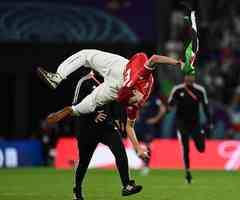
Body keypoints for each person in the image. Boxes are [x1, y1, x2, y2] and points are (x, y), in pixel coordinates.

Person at [37, 10, 198, 160]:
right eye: (134, 100)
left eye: (133, 101)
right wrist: (178, 62)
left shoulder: (134, 90)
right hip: (118, 78)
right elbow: (154, 58)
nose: (136, 102)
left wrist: (179, 62)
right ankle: (64, 92)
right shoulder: (135, 91)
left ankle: (68, 103)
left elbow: (129, 127)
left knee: (89, 84)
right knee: (90, 80)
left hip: (118, 78)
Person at [72, 71, 143, 199]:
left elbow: (118, 101)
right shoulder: (84, 82)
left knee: (120, 151)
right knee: (84, 161)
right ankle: (77, 190)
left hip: (106, 127)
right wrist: (93, 114)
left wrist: (118, 118)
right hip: (87, 128)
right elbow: (75, 106)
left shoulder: (111, 80)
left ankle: (126, 185)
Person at [168, 74, 213, 184]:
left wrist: (210, 122)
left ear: (194, 78)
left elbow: (205, 107)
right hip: (181, 123)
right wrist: (174, 100)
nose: (189, 79)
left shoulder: (200, 90)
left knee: (201, 149)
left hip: (195, 124)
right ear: (184, 78)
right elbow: (169, 104)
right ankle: (187, 173)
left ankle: (201, 135)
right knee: (185, 147)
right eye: (187, 76)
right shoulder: (177, 90)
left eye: (191, 76)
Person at [135, 91, 167, 175]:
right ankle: (142, 161)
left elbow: (163, 109)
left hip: (149, 126)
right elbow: (134, 107)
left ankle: (146, 166)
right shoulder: (140, 97)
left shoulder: (154, 99)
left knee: (147, 145)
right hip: (139, 125)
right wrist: (136, 116)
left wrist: (155, 119)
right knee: (135, 145)